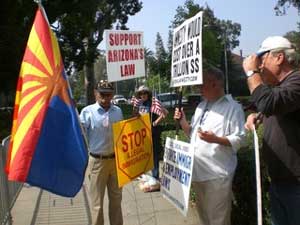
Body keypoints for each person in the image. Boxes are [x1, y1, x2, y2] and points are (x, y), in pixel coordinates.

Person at [174, 67, 246, 225]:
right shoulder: (201, 106)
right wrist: (183, 122)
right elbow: (193, 134)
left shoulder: (233, 108)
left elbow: (240, 139)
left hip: (217, 176)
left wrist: (216, 140)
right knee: (204, 218)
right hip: (198, 173)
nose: (198, 89)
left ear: (215, 84)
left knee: (218, 221)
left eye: (202, 85)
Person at [243, 36, 300, 225]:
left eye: (262, 58)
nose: (259, 65)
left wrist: (251, 72)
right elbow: (270, 107)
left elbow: (269, 103)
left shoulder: (297, 81)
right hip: (280, 182)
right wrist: (256, 116)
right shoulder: (280, 87)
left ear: (279, 57)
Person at [80, 80, 123, 225]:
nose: (105, 98)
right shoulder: (87, 112)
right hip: (97, 163)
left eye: (109, 94)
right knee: (97, 205)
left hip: (116, 162)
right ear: (95, 93)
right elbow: (78, 133)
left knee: (116, 202)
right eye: (102, 94)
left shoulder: (118, 111)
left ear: (113, 95)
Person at [133, 85, 166, 190]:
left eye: (145, 93)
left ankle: (155, 177)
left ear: (148, 94)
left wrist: (155, 122)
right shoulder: (140, 104)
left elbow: (164, 113)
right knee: (144, 155)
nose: (143, 95)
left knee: (154, 156)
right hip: (142, 134)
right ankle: (146, 177)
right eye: (141, 94)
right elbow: (135, 115)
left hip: (153, 134)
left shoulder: (152, 103)